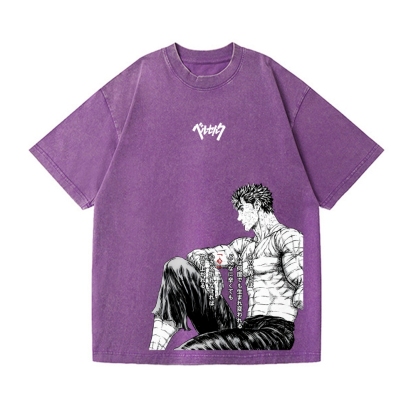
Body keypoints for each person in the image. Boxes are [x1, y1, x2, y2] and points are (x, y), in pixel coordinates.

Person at [149, 183, 303, 350]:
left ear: (257, 205)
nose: (239, 217)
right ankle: (156, 349)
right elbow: (196, 255)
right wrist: (208, 267)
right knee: (177, 267)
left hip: (274, 333)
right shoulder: (245, 246)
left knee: (191, 350)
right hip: (245, 330)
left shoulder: (287, 238)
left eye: (242, 209)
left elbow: (304, 284)